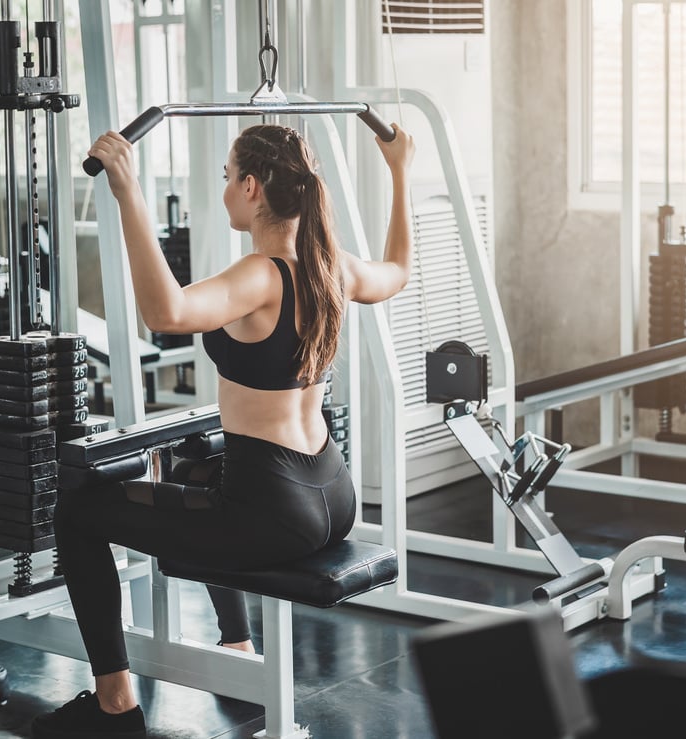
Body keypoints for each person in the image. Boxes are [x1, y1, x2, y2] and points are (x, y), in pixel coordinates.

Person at [32, 121, 415, 738]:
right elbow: (397, 268)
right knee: (192, 471)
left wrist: (129, 193)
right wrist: (399, 171)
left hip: (270, 512)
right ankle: (235, 648)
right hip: (331, 495)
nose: (225, 190)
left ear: (253, 187)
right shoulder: (332, 266)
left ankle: (114, 705)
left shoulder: (260, 275)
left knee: (76, 513)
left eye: (227, 178)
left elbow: (167, 313)